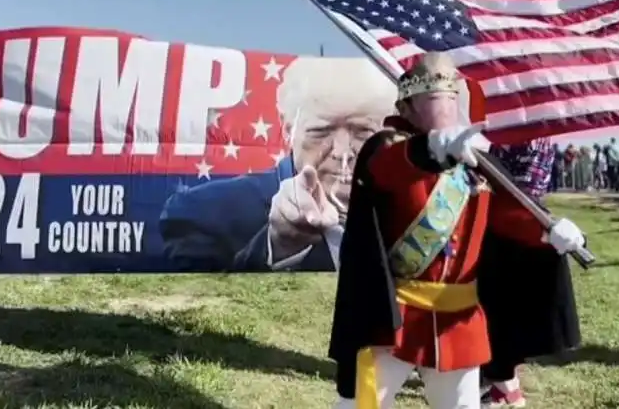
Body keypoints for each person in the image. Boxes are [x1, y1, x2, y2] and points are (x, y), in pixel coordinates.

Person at [329, 52, 586, 409]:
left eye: (452, 96)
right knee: (362, 405)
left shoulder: (475, 157)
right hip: (393, 318)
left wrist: (547, 231)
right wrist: (432, 149)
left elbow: (507, 213)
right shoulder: (388, 148)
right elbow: (390, 170)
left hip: (458, 321)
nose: (446, 105)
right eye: (434, 97)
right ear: (406, 106)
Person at [158, 57, 396, 272]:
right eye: (321, 131)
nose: (343, 152)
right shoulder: (202, 214)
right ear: (288, 129)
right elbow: (199, 313)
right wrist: (279, 247)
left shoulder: (419, 207)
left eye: (364, 131)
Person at [479, 139, 581, 407]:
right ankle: (503, 384)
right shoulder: (522, 132)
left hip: (514, 221)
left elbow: (514, 188)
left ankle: (504, 385)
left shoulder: (527, 135)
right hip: (516, 219)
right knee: (501, 316)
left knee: (499, 315)